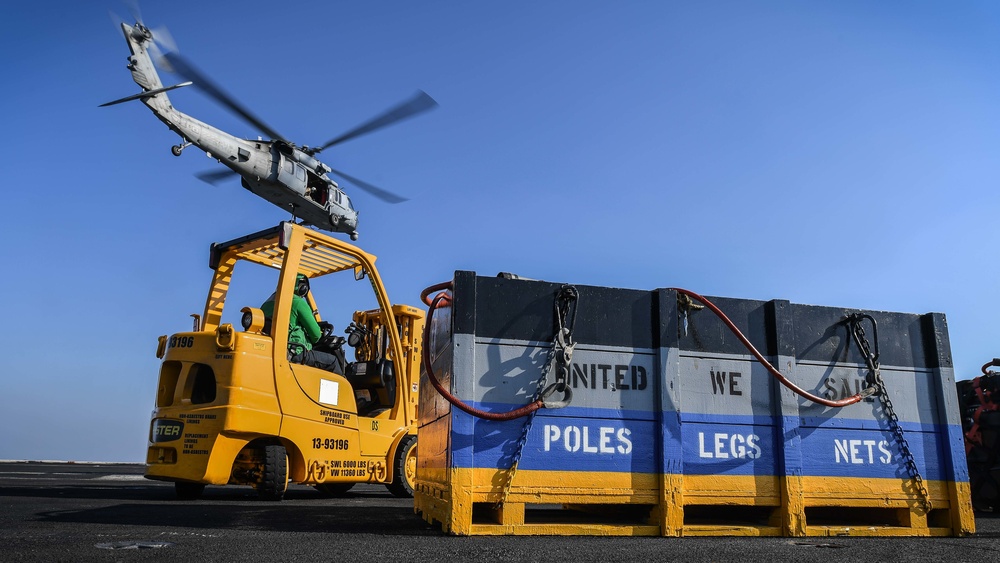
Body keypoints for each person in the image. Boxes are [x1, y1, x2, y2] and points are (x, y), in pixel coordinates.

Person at [261, 274, 345, 373]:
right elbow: (316, 335)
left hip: (273, 350)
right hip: (294, 352)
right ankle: (345, 388)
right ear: (302, 287)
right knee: (332, 361)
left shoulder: (266, 304)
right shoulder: (297, 302)